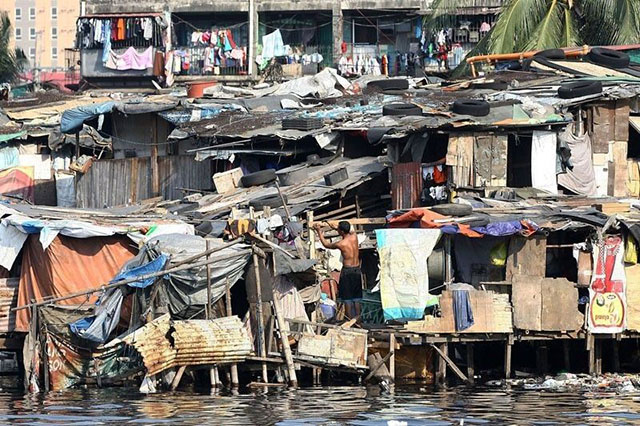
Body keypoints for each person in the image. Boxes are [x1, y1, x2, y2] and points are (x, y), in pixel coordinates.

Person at [313, 220, 362, 319]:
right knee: (356, 299)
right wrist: (334, 226)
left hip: (347, 271)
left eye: (339, 230)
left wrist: (319, 231)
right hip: (357, 270)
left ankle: (349, 321)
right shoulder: (354, 237)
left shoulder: (341, 244)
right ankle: (358, 321)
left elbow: (326, 244)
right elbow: (345, 229)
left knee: (347, 298)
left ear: (342, 232)